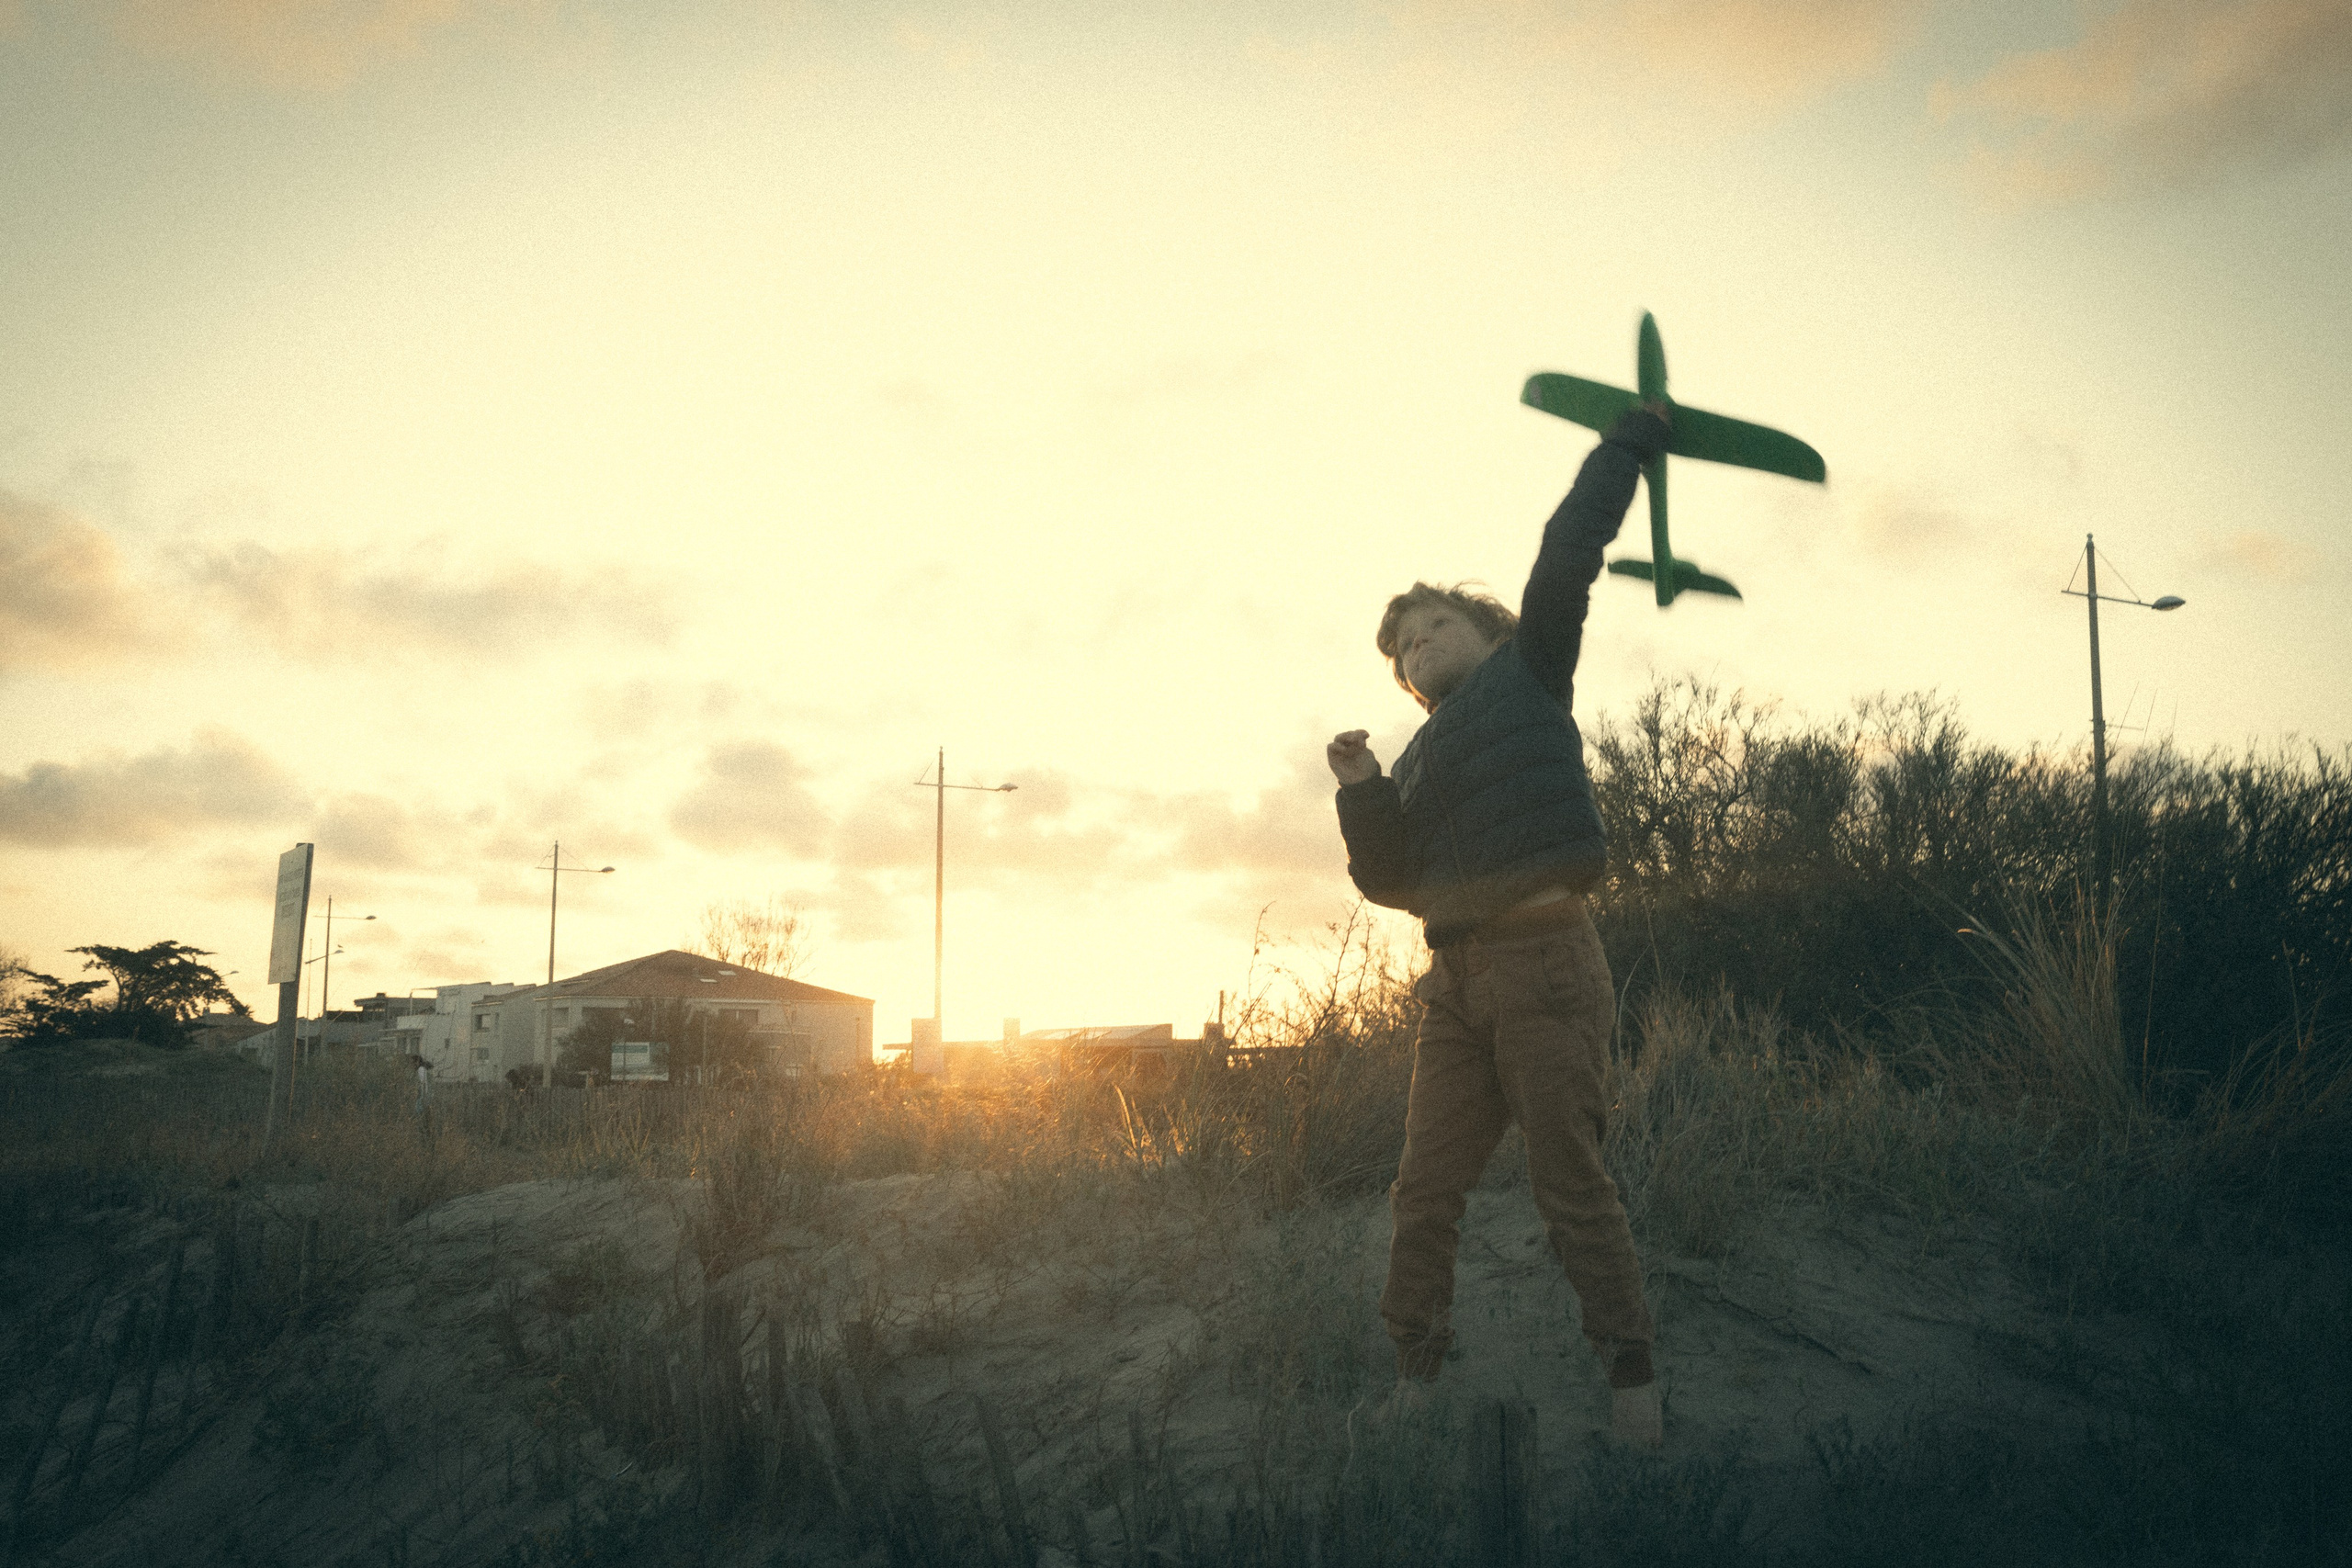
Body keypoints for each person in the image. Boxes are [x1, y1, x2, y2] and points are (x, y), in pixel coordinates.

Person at [1327, 400, 1672, 1450]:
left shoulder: (1530, 676)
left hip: (1546, 965)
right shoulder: (1417, 758)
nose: (1417, 646)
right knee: (1423, 1189)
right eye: (1403, 648)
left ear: (1487, 632)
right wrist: (1362, 789)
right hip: (1456, 987)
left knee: (1569, 1183)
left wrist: (1623, 448)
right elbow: (1392, 883)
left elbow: (1568, 556)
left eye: (1434, 625)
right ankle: (1415, 1375)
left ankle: (1632, 1379)